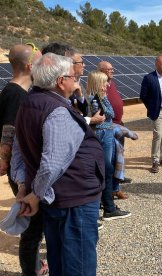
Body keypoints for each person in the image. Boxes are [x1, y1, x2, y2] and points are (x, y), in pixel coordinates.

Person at [14, 53, 104, 275]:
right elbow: (52, 162)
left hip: (58, 198)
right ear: (60, 81)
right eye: (73, 76)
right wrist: (35, 193)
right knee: (78, 265)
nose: (77, 80)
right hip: (74, 200)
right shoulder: (56, 111)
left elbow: (19, 151)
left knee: (59, 261)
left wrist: (24, 185)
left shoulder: (29, 102)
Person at [0, 43, 47, 275]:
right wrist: (6, 162)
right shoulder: (16, 95)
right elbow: (9, 132)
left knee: (34, 225)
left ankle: (36, 266)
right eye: (38, 62)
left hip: (24, 170)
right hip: (23, 173)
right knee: (32, 227)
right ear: (30, 66)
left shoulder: (16, 92)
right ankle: (32, 270)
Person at [86, 70, 131, 219]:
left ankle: (106, 203)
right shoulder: (94, 99)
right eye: (104, 82)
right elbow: (109, 113)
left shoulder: (99, 97)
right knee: (106, 169)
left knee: (108, 167)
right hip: (101, 134)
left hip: (106, 134)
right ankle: (108, 207)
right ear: (98, 83)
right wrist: (104, 99)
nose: (107, 85)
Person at [98, 61, 132, 199]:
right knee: (110, 160)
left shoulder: (112, 83)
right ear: (101, 71)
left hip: (119, 124)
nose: (112, 71)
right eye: (109, 69)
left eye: (112, 69)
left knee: (119, 158)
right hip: (109, 127)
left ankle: (116, 187)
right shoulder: (99, 86)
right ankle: (108, 191)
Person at [140, 55, 162, 173]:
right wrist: (151, 107)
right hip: (158, 111)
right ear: (156, 65)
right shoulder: (149, 78)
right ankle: (155, 160)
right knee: (157, 135)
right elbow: (143, 96)